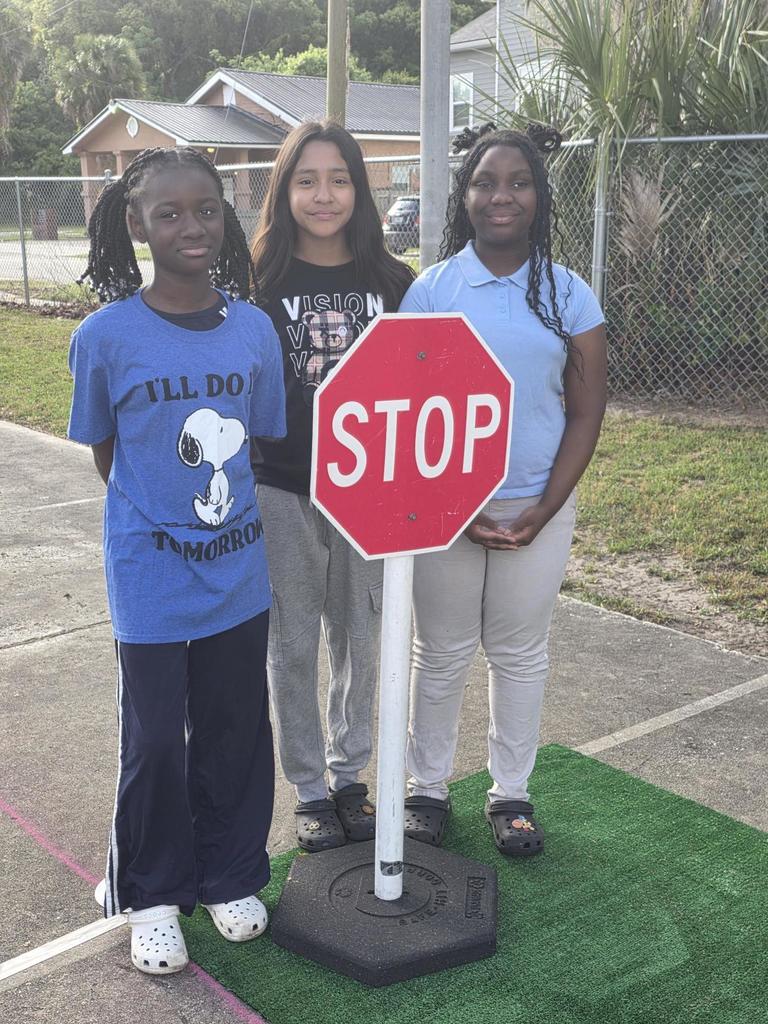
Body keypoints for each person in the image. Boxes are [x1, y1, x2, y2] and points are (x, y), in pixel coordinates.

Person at [69, 147, 286, 974]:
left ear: (225, 215)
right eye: (169, 213)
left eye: (206, 209)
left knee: (235, 730)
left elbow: (257, 444)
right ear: (135, 224)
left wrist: (210, 527)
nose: (191, 226)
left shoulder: (254, 329)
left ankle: (230, 871)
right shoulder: (107, 334)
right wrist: (161, 522)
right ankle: (150, 892)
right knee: (156, 739)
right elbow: (107, 454)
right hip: (150, 577)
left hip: (238, 574)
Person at [399, 123, 607, 856]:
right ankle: (425, 792)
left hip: (534, 508)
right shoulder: (432, 290)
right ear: (465, 194)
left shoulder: (568, 293)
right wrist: (451, 511)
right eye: (487, 181)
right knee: (443, 650)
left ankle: (510, 794)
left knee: (519, 653)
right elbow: (410, 410)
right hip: (445, 511)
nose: (502, 195)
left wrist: (543, 511)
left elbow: (586, 413)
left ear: (538, 196)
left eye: (519, 182)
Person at [250, 121, 414, 852]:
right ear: (283, 190)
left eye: (340, 178)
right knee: (291, 645)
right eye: (307, 179)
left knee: (362, 637)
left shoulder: (393, 281)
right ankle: (311, 789)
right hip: (282, 487)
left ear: (361, 187)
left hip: (369, 493)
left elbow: (420, 385)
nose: (324, 194)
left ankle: (352, 777)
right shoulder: (255, 280)